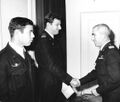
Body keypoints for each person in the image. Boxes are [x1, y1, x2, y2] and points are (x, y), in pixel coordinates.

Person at [35, 12, 80, 102]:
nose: (60, 27)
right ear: (48, 24)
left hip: (55, 79)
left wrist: (66, 81)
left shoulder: (51, 39)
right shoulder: (44, 41)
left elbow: (57, 65)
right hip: (48, 83)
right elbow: (51, 65)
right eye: (57, 25)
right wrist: (69, 79)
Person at [75, 24, 120, 102]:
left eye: (94, 35)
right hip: (108, 93)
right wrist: (80, 81)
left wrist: (98, 90)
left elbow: (116, 79)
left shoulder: (111, 52)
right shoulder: (105, 50)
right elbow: (97, 71)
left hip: (113, 96)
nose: (92, 38)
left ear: (103, 36)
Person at [0, 17, 36, 102]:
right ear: (17, 33)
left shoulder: (27, 55)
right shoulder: (3, 59)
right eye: (30, 32)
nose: (33, 35)